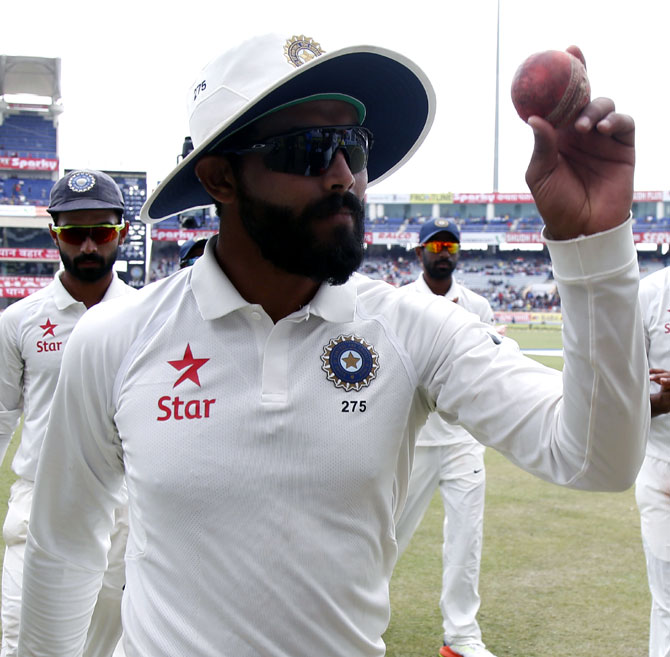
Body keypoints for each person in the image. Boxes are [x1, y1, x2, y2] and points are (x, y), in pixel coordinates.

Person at [17, 34, 647, 657]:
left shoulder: (413, 328)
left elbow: (596, 457)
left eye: (354, 147)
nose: (344, 175)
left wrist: (594, 247)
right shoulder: (116, 339)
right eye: (311, 149)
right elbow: (65, 547)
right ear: (219, 178)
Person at [0, 169, 135, 657]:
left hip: (124, 505)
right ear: (54, 233)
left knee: (105, 646)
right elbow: (1, 416)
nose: (88, 247)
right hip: (40, 502)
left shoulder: (146, 316)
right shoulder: (20, 321)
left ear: (121, 230)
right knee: (25, 643)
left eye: (101, 232)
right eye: (74, 233)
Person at [394, 217, 498, 657]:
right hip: (413, 441)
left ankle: (460, 636)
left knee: (466, 539)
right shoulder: (399, 304)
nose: (443, 252)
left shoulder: (477, 306)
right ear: (419, 253)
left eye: (450, 245)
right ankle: (360, 614)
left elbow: (488, 370)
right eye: (435, 245)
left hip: (463, 442)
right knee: (388, 535)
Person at [635, 267, 670, 657]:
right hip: (661, 467)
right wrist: (660, 403)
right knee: (667, 600)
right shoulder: (649, 294)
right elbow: (619, 401)